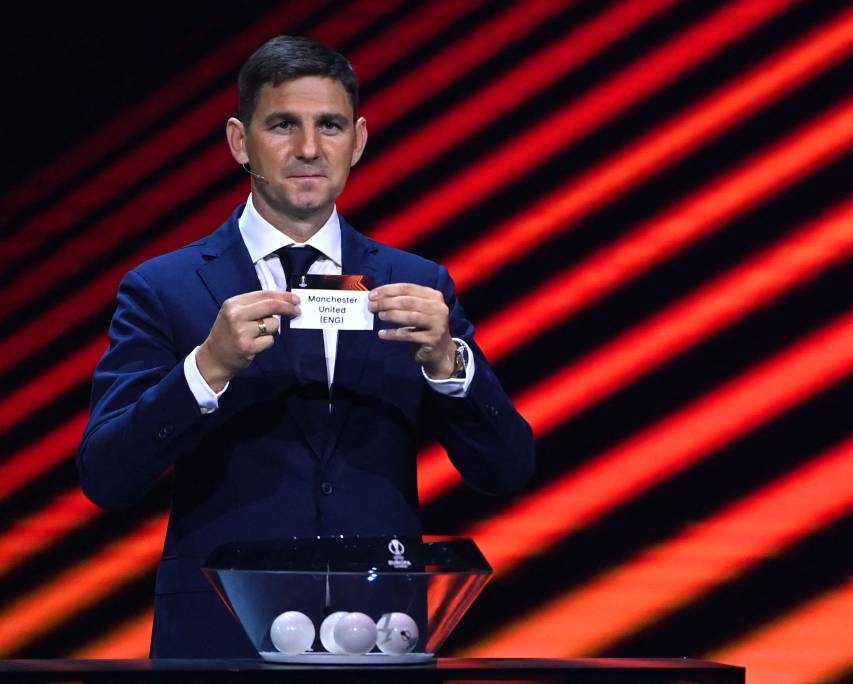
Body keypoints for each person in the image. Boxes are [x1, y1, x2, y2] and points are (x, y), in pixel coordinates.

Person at [76, 35, 534, 658]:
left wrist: (451, 365)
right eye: (283, 124)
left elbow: (506, 471)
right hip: (220, 642)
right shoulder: (166, 288)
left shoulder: (420, 284)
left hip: (379, 641)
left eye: (331, 125)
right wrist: (205, 370)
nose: (310, 149)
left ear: (359, 140)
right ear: (240, 141)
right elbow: (106, 476)